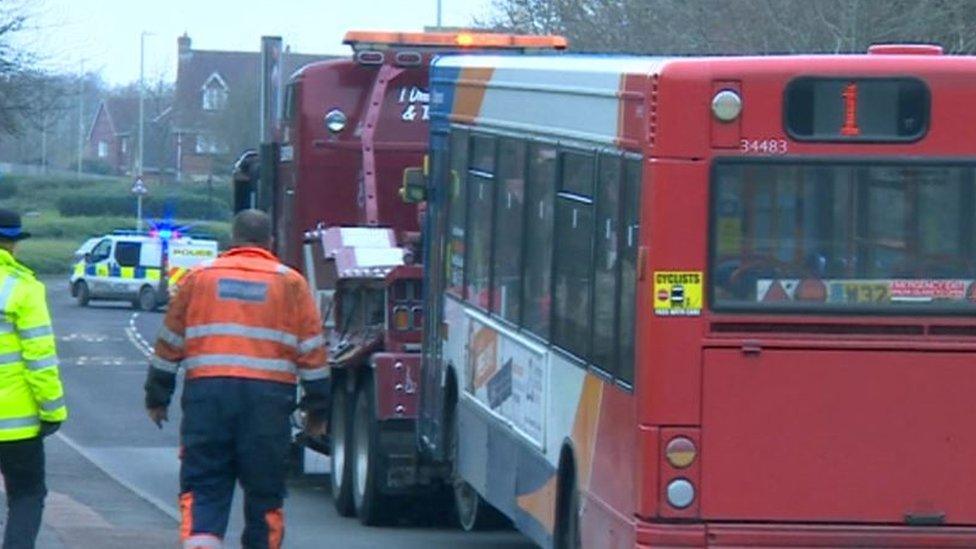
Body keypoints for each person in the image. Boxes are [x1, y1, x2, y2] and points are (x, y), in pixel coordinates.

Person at [144, 209, 329, 549]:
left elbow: (169, 343)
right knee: (264, 494)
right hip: (268, 404)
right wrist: (317, 408)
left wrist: (157, 397)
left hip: (207, 399)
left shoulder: (199, 279)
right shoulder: (290, 283)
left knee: (204, 486)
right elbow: (313, 353)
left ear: (233, 239)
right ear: (269, 241)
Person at [0, 209, 67, 549]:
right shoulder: (24, 289)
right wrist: (52, 411)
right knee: (26, 496)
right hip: (17, 426)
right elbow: (40, 360)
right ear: (13, 244)